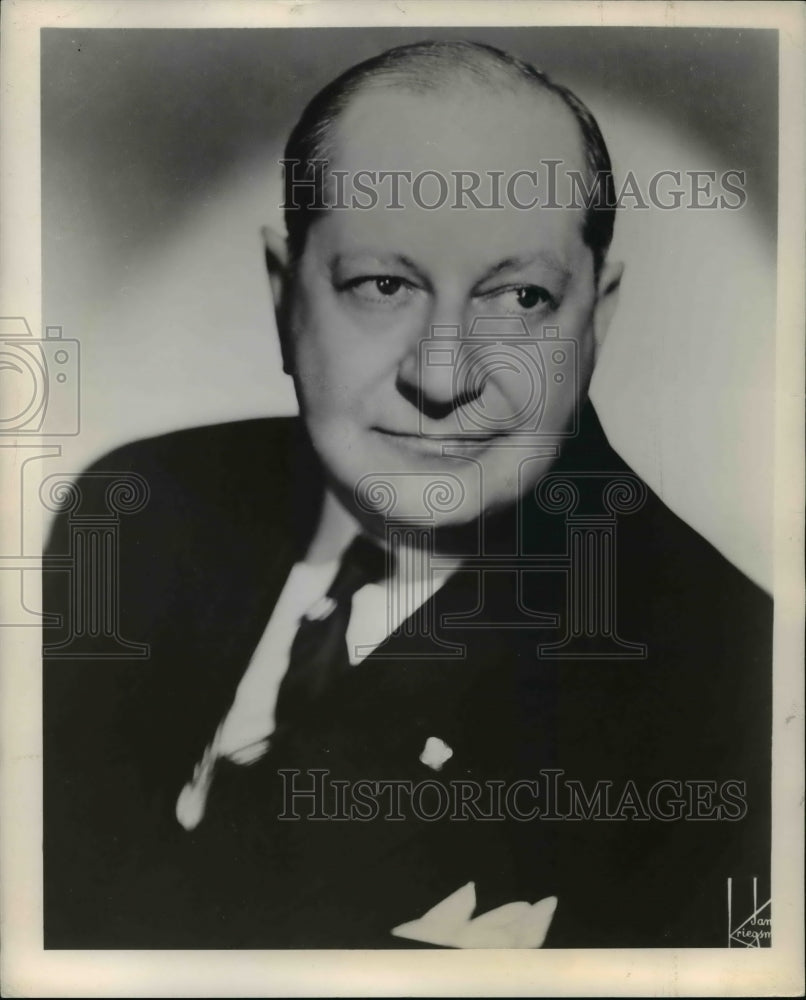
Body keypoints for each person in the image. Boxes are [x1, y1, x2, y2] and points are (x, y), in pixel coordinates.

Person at [42, 40, 771, 950]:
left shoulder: (736, 700)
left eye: (521, 299)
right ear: (284, 294)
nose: (443, 373)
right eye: (383, 285)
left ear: (598, 320)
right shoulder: (138, 510)